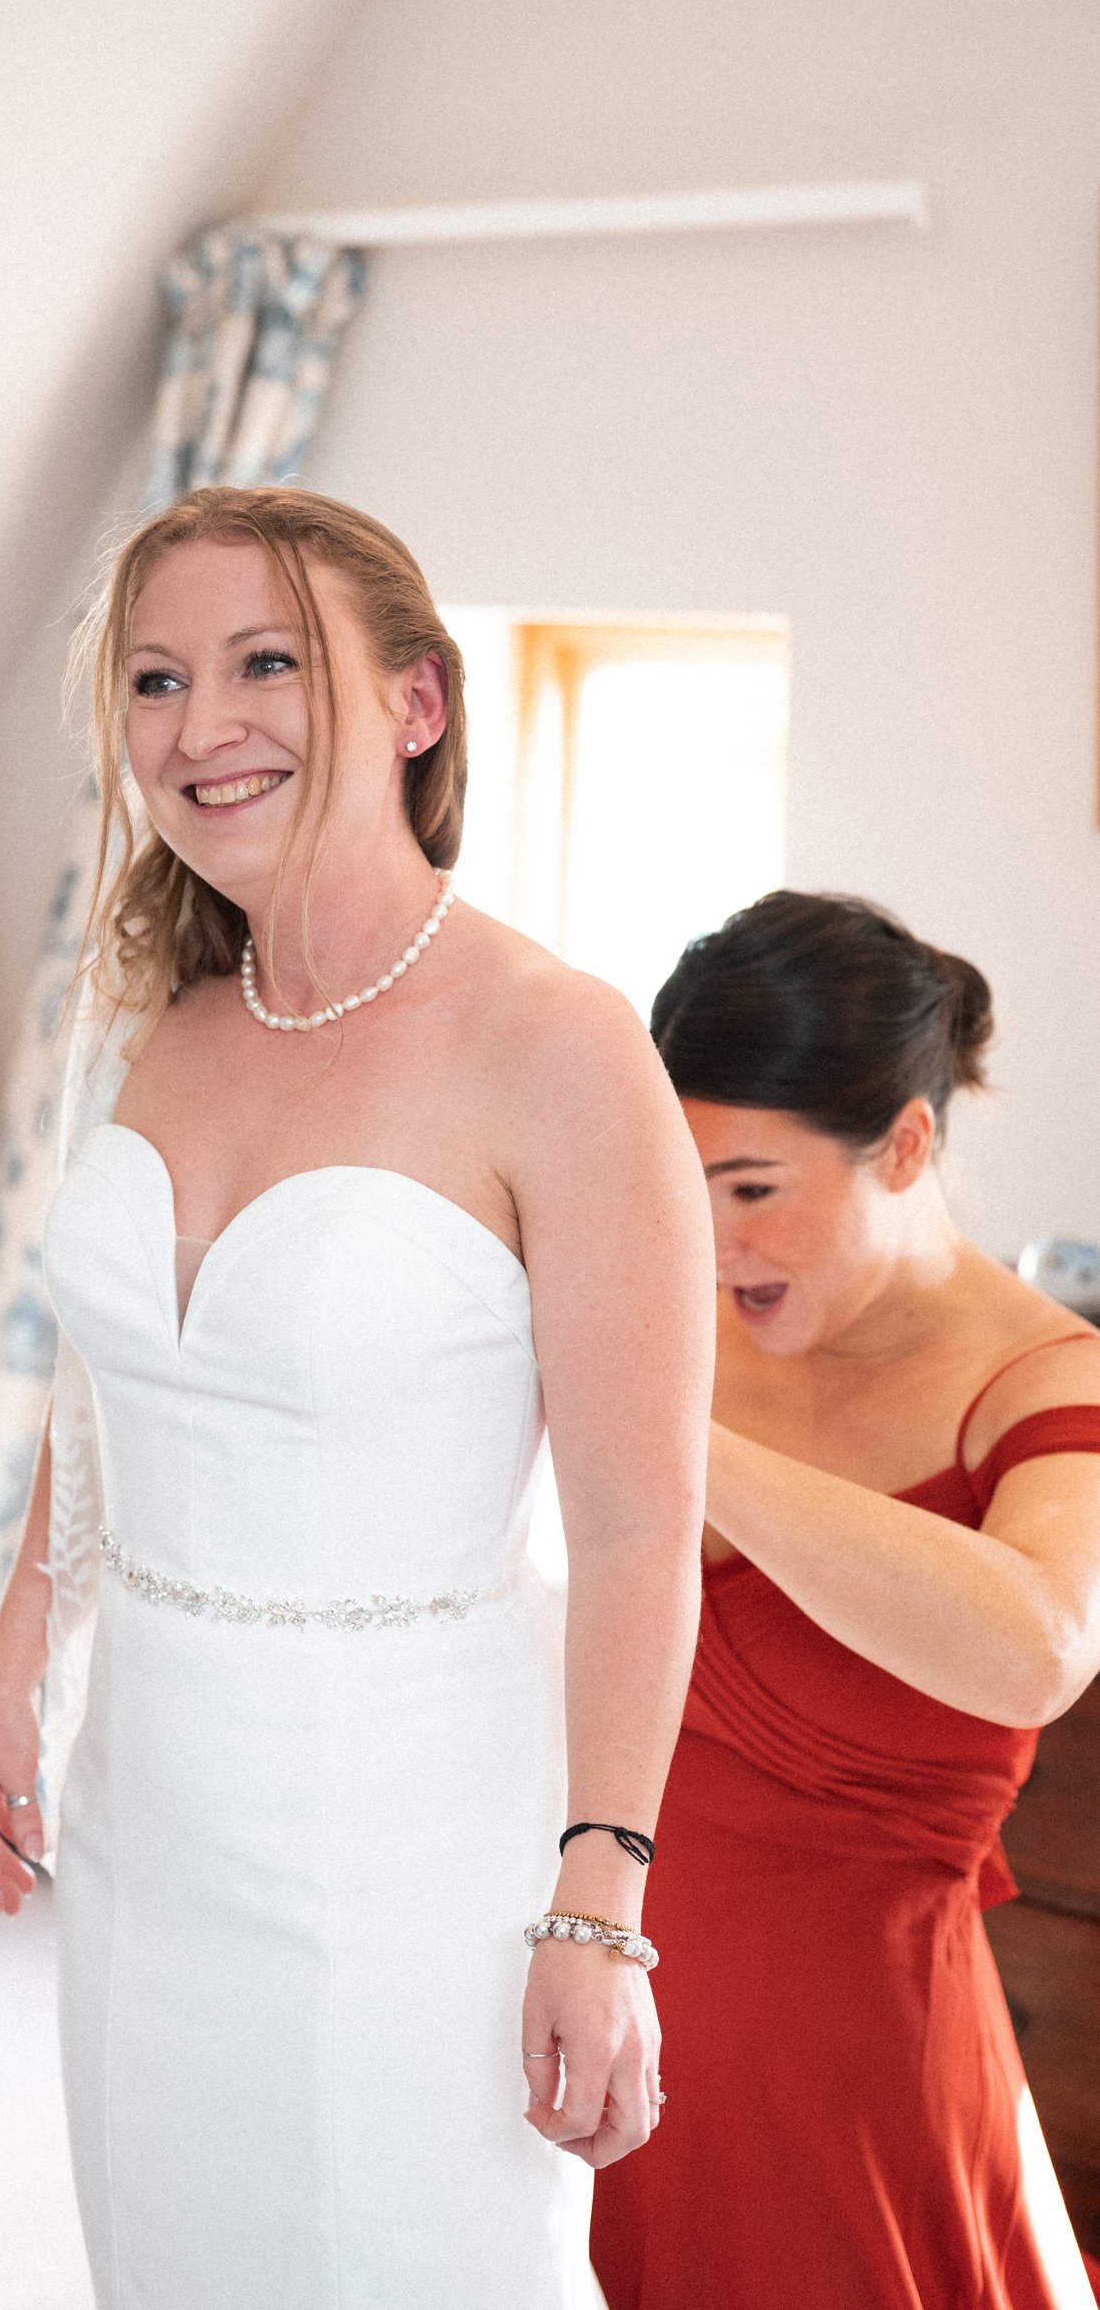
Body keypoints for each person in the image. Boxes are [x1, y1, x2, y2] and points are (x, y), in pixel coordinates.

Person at [0, 485, 713, 2310]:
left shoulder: (561, 1046)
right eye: (154, 680)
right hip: (149, 1814)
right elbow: (113, 1386)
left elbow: (635, 1529)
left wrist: (601, 1906)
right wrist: (18, 1650)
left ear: (418, 702)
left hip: (414, 1841)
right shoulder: (154, 1016)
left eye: (265, 664)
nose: (201, 726)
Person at [591, 889, 1100, 2310]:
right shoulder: (674, 1307)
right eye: (683, 1186)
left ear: (908, 1145)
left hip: (848, 2080)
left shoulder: (1047, 1379)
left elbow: (1039, 1648)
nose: (711, 1240)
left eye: (753, 1190)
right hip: (597, 2009)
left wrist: (675, 1442)